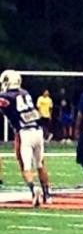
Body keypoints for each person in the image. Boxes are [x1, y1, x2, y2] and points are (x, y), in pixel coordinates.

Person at [0, 70, 52, 206]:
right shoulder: (25, 93)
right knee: (40, 164)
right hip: (37, 131)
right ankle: (48, 194)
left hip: (24, 133)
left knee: (25, 166)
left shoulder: (6, 96)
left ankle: (33, 189)